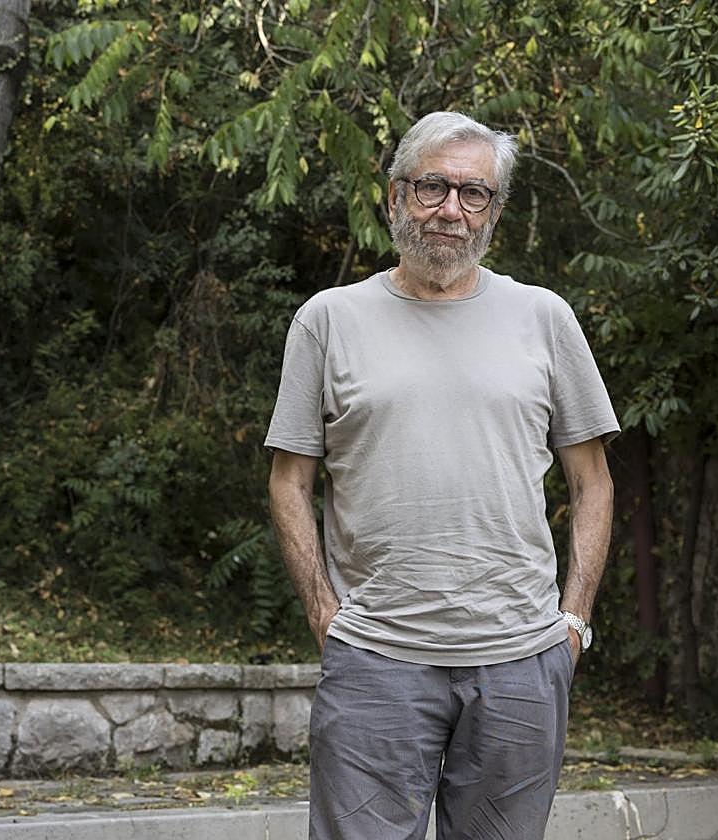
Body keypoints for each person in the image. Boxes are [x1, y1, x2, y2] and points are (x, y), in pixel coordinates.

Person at [264, 111, 619, 840]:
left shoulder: (543, 318)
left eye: (474, 194)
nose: (451, 210)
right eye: (433, 188)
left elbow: (594, 483)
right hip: (375, 662)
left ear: (494, 211)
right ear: (395, 196)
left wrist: (573, 622)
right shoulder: (328, 320)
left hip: (521, 665)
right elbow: (289, 480)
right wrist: (324, 614)